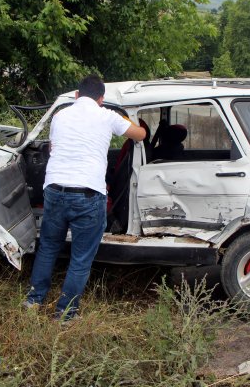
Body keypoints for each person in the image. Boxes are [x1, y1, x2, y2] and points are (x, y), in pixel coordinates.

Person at [23, 74, 146, 321]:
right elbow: (140, 135)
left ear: (77, 95)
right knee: (80, 258)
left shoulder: (59, 116)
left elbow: (54, 146)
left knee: (47, 248)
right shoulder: (107, 116)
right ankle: (65, 314)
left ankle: (33, 302)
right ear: (101, 99)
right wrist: (135, 121)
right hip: (88, 196)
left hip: (55, 191)